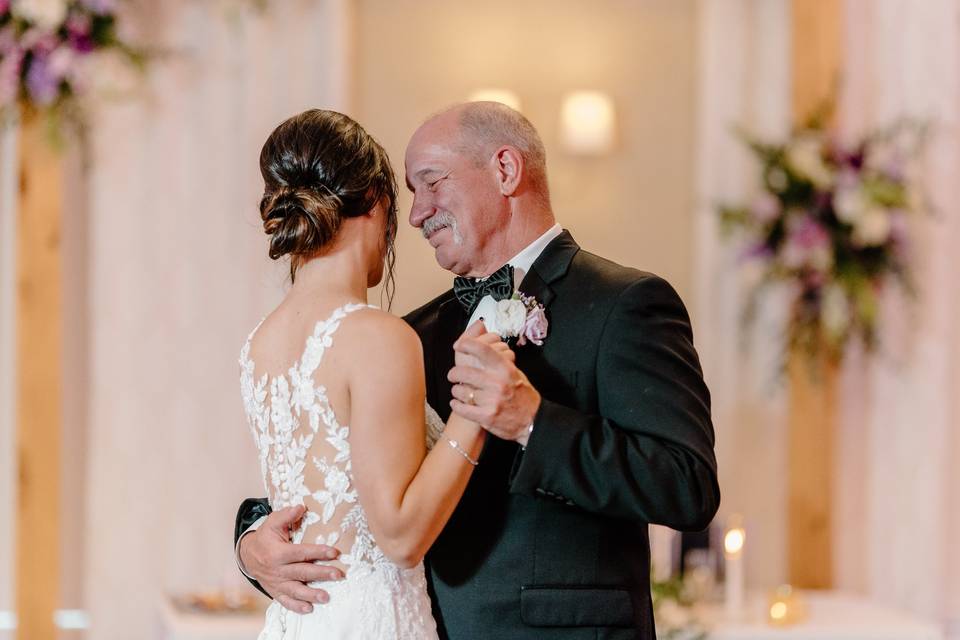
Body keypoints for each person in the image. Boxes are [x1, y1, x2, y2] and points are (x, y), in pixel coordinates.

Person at [236, 102, 720, 639]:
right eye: (410, 194)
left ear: (505, 170)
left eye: (430, 183)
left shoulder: (623, 304)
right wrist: (252, 541)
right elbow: (346, 479)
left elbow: (687, 486)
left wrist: (533, 422)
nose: (416, 215)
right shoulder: (407, 332)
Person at [238, 108, 514, 638]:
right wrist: (474, 413)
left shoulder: (259, 345)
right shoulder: (376, 335)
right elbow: (401, 536)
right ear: (374, 202)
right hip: (374, 620)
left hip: (302, 621)